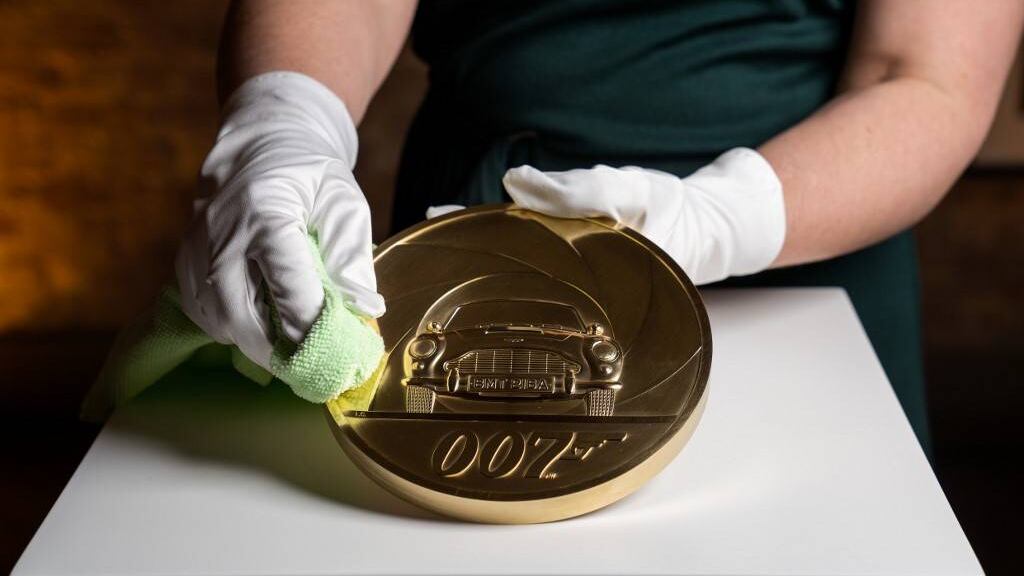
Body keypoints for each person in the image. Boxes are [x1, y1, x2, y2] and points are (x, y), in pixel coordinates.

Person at [175, 0, 1023, 449]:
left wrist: (717, 218)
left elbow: (928, 76)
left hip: (806, 245)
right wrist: (285, 121)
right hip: (474, 235)